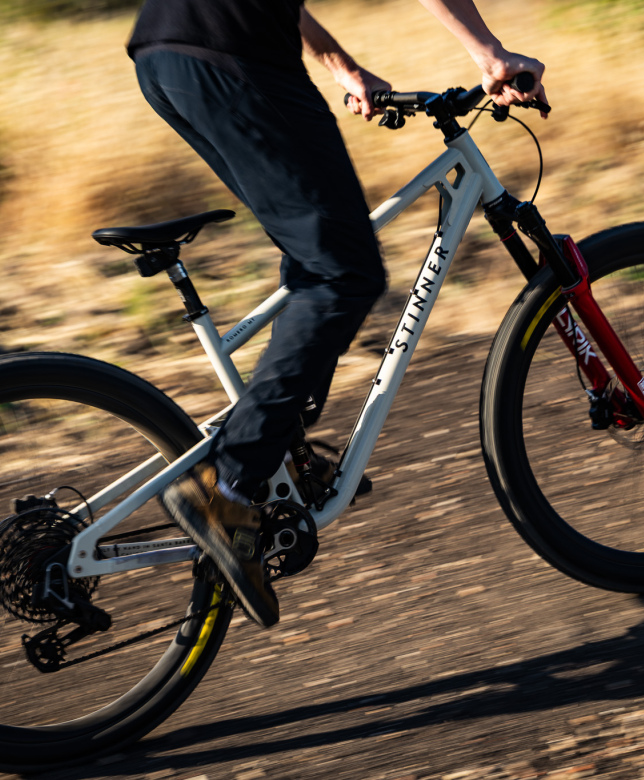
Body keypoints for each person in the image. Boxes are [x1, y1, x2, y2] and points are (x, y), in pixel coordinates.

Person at [127, 0, 547, 628]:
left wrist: (344, 67)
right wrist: (490, 55)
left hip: (167, 54)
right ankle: (232, 486)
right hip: (232, 58)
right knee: (343, 273)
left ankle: (282, 447)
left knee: (317, 257)